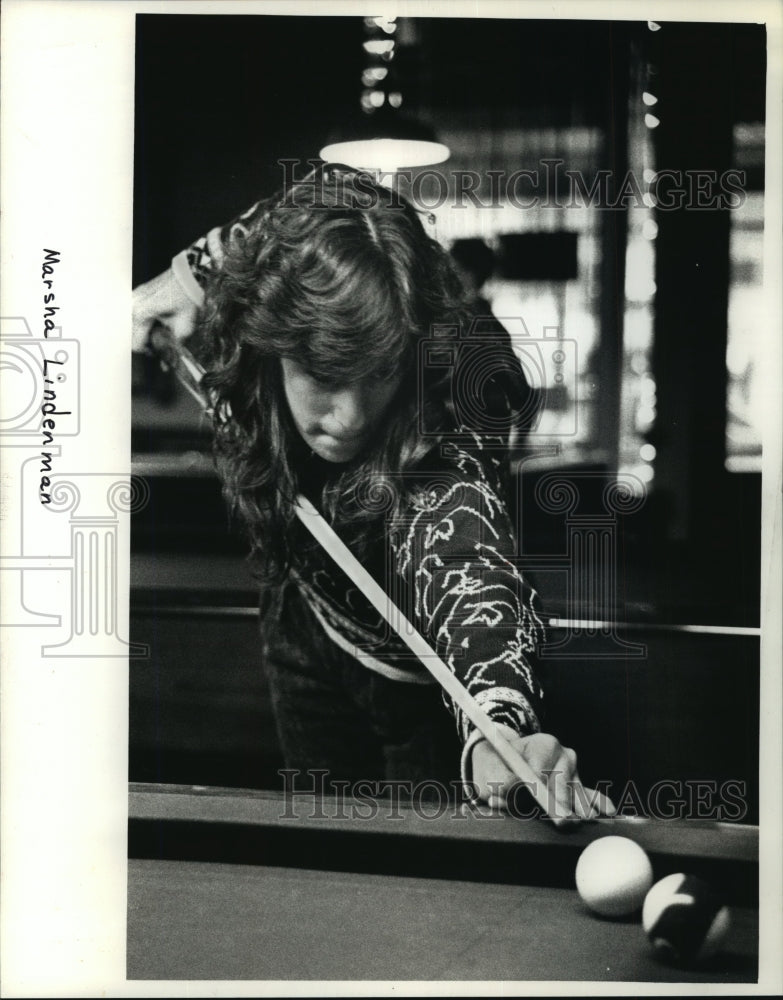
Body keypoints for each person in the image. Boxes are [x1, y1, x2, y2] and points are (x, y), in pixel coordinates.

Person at [132, 163, 614, 824]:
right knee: (330, 839)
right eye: (324, 375)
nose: (354, 416)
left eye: (379, 372)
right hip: (299, 618)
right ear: (268, 340)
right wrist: (152, 301)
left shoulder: (445, 425)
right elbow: (222, 251)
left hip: (416, 672)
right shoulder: (270, 255)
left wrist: (496, 718)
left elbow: (467, 566)